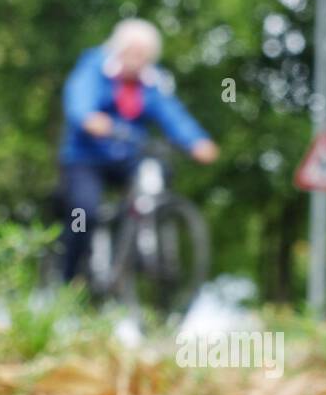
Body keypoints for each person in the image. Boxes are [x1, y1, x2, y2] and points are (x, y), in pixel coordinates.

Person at [55, 19, 218, 283]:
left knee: (155, 172)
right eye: (133, 52)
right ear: (118, 49)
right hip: (86, 157)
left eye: (144, 54)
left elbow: (173, 114)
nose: (138, 59)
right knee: (84, 212)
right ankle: (67, 276)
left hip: (129, 155)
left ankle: (145, 235)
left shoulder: (152, 82)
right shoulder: (95, 65)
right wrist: (89, 118)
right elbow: (79, 97)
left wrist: (197, 142)